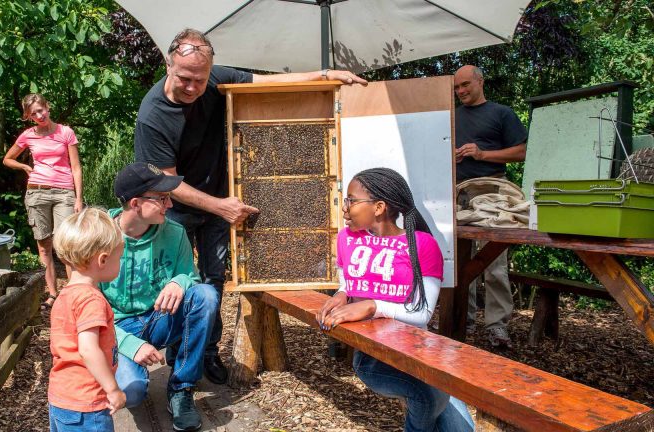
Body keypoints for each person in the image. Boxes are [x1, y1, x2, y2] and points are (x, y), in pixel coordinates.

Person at [134, 28, 367, 384]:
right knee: (176, 283)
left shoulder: (215, 78)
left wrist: (324, 75)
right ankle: (178, 354)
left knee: (212, 281)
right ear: (168, 64)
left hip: (218, 201)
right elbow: (169, 182)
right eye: (184, 78)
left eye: (201, 78)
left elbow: (267, 81)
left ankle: (207, 352)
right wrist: (220, 206)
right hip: (174, 206)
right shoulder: (153, 115)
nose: (194, 87)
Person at [317, 168, 474, 432]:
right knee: (428, 398)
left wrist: (373, 306)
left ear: (379, 207)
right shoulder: (346, 239)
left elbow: (422, 313)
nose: (344, 208)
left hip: (419, 353)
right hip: (374, 359)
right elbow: (348, 283)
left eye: (351, 200)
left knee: (461, 429)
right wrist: (342, 294)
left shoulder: (422, 245)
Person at [101, 162, 219, 432]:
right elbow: (87, 313)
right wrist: (131, 346)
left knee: (206, 296)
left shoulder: (175, 233)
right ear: (135, 203)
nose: (170, 205)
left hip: (159, 318)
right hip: (114, 329)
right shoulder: (99, 235)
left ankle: (181, 389)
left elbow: (193, 279)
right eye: (162, 198)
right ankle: (115, 367)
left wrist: (181, 280)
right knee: (131, 394)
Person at [454, 65, 528, 348]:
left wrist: (482, 153)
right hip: (457, 192)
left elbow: (521, 152)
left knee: (494, 263)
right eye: (457, 88)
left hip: (494, 192)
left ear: (480, 81)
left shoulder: (502, 113)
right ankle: (462, 319)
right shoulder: (452, 117)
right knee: (459, 261)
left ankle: (497, 326)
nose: (460, 91)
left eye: (465, 85)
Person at [48, 208, 126, 432]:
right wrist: (112, 390)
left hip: (61, 398)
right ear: (102, 259)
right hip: (87, 404)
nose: (119, 263)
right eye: (118, 258)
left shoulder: (64, 294)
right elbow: (88, 349)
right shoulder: (91, 299)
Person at [3, 93, 83, 309]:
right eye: (33, 113)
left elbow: (76, 168)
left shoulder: (65, 132)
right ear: (28, 116)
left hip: (64, 192)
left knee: (66, 245)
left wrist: (78, 198)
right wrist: (24, 167)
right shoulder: (28, 136)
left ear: (48, 107)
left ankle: (74, 293)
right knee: (44, 246)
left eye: (41, 110)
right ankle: (53, 294)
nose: (39, 115)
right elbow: (7, 159)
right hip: (37, 192)